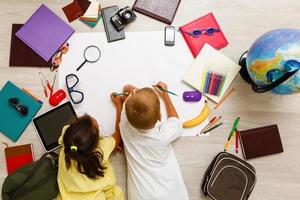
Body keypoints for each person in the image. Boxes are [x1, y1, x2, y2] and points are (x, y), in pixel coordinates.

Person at [119, 81, 189, 200]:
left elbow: (127, 88)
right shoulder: (162, 136)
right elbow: (176, 122)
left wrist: (135, 94)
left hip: (141, 195)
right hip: (169, 194)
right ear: (160, 116)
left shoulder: (124, 124)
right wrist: (165, 95)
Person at [56, 93, 124, 200]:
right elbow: (119, 133)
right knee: (116, 194)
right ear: (97, 144)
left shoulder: (66, 139)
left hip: (68, 196)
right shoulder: (102, 149)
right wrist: (119, 105)